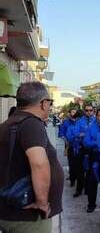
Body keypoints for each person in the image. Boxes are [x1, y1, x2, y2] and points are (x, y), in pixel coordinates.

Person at [0, 82, 64, 233]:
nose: (50, 106)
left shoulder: (7, 123)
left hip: (11, 211)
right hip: (28, 218)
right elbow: (39, 163)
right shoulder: (31, 124)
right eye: (50, 102)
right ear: (43, 103)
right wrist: (42, 203)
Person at [83, 108, 100, 213]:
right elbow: (86, 142)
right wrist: (98, 142)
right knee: (92, 182)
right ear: (96, 116)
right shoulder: (90, 128)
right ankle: (91, 204)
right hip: (95, 156)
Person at [65, 109, 85, 197]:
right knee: (77, 170)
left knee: (86, 171)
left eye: (81, 118)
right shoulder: (71, 127)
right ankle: (78, 189)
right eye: (78, 118)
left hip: (85, 149)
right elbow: (69, 138)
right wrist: (77, 135)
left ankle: (85, 188)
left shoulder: (86, 126)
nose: (80, 120)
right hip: (75, 150)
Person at [59, 108, 76, 186]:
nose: (74, 113)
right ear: (69, 113)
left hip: (79, 146)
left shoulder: (79, 121)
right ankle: (72, 177)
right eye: (73, 112)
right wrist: (66, 141)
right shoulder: (66, 122)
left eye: (76, 112)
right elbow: (61, 133)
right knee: (71, 162)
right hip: (69, 144)